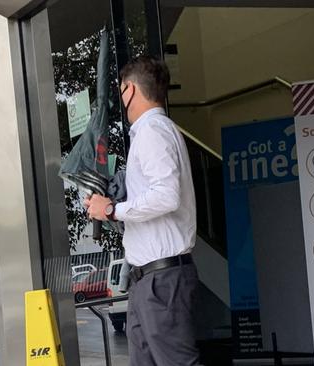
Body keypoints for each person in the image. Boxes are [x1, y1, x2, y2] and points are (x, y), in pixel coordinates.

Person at [85, 56, 200, 366]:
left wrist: (110, 209)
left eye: (121, 90)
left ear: (130, 89)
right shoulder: (151, 133)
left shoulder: (153, 131)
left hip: (162, 280)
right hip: (149, 279)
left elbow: (166, 196)